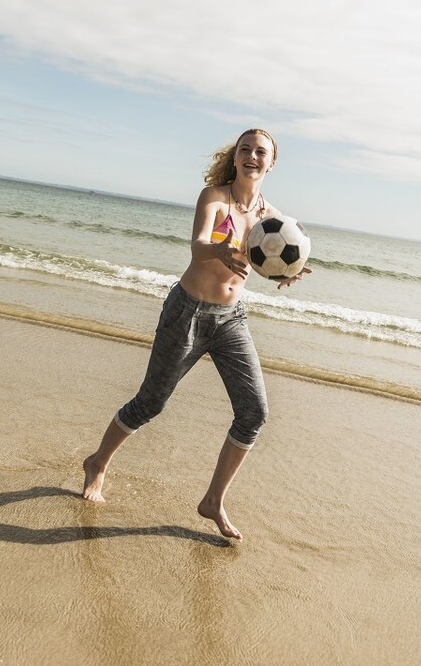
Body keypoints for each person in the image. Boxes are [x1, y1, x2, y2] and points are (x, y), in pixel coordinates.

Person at [82, 128, 311, 541]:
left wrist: (286, 272)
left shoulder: (273, 219)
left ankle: (213, 501)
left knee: (254, 413)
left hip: (231, 319)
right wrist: (220, 251)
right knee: (149, 404)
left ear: (271, 163)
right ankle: (97, 462)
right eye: (246, 149)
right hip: (187, 312)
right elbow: (199, 244)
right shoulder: (214, 197)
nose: (252, 156)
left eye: (261, 152)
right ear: (236, 156)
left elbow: (268, 259)